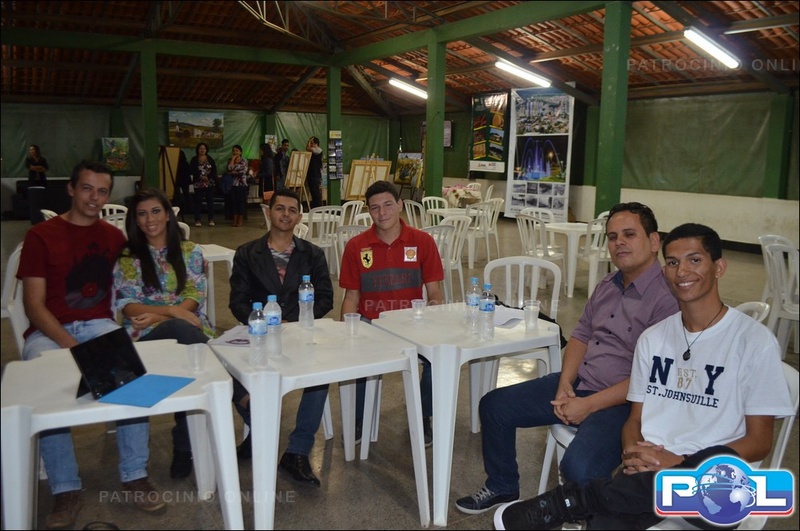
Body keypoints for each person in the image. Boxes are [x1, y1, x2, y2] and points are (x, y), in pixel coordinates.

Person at [493, 223, 794, 530]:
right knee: (608, 518)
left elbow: (759, 442)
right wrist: (634, 454)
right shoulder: (653, 339)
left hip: (720, 482)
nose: (682, 271)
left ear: (719, 267)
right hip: (646, 475)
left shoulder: (753, 341)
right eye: (673, 262)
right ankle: (584, 500)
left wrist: (680, 464)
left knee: (743, 491)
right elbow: (634, 419)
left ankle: (572, 502)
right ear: (665, 272)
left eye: (694, 260)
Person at [455, 202, 679, 514]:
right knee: (495, 406)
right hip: (582, 384)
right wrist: (564, 383)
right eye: (612, 237)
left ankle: (596, 516)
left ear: (654, 241)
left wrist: (589, 405)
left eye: (629, 234)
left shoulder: (668, 298)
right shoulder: (608, 284)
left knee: (579, 469)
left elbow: (652, 378)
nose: (619, 243)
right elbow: (581, 335)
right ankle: (502, 486)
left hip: (625, 404)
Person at [17, 161, 165, 530]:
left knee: (132, 376)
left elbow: (143, 273)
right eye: (87, 188)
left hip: (100, 325)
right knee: (49, 388)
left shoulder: (113, 238)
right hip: (48, 331)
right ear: (71, 189)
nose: (94, 198)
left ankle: (135, 474)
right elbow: (33, 305)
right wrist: (71, 346)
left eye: (102, 191)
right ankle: (65, 487)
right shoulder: (40, 236)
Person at [228, 188, 334, 487]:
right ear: (269, 212)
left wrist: (294, 322)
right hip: (258, 333)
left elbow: (325, 297)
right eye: (279, 208)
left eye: (292, 210)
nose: (286, 214)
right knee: (223, 366)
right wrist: (262, 321)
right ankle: (259, 428)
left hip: (301, 332)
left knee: (321, 372)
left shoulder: (313, 254)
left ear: (299, 217)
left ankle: (297, 450)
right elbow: (237, 301)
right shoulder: (247, 253)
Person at [113, 187, 215, 480]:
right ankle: (240, 394)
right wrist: (171, 311)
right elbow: (128, 306)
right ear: (135, 220)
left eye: (156, 211)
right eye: (142, 214)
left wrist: (162, 314)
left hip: (187, 327)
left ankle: (184, 445)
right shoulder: (128, 257)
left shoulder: (190, 251)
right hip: (145, 336)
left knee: (186, 354)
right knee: (182, 331)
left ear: (168, 215)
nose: (150, 220)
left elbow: (195, 294)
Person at [338, 180, 444, 446]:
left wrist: (433, 316)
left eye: (387, 205)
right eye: (375, 208)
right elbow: (351, 297)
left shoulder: (422, 241)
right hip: (371, 324)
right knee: (355, 357)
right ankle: (360, 417)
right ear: (369, 211)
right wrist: (346, 332)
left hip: (411, 324)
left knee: (437, 357)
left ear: (400, 205)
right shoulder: (356, 246)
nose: (382, 213)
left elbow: (435, 291)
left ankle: (423, 415)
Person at [189, 142, 217, 227]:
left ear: (206, 150)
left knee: (210, 201)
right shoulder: (194, 159)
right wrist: (201, 176)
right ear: (198, 150)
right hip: (198, 183)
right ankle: (197, 219)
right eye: (200, 148)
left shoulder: (210, 159)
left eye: (204, 149)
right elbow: (192, 170)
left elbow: (214, 171)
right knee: (198, 201)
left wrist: (208, 177)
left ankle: (211, 219)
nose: (202, 150)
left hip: (209, 182)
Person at [227, 144, 249, 227]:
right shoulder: (230, 160)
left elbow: (243, 171)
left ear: (240, 152)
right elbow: (229, 168)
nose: (235, 152)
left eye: (237, 151)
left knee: (241, 202)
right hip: (233, 184)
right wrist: (233, 159)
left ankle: (240, 220)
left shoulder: (244, 160)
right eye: (233, 151)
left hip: (242, 184)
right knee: (234, 202)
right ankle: (235, 220)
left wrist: (234, 171)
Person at [305, 136, 323, 208]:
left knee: (316, 192)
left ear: (316, 144)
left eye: (312, 143)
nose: (310, 144)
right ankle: (314, 206)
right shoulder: (313, 151)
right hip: (311, 174)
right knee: (312, 192)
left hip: (315, 175)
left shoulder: (318, 150)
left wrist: (309, 141)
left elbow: (307, 148)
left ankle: (318, 207)